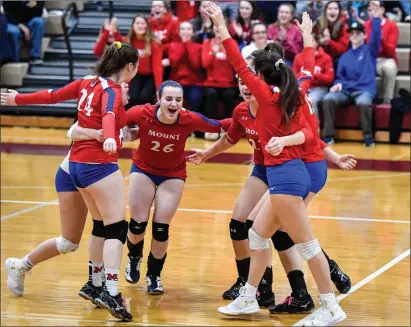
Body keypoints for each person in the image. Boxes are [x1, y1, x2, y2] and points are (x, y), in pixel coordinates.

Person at [204, 3, 346, 325]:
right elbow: (308, 70)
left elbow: (236, 61)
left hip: (285, 178)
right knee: (256, 234)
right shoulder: (296, 91)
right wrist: (308, 38)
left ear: (261, 75)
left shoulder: (265, 95)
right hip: (291, 173)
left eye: (254, 73)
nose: (248, 76)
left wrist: (221, 26)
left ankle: (330, 306)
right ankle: (247, 298)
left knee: (307, 246)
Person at [1, 42, 139, 321]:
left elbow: (53, 95)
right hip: (93, 166)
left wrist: (19, 100)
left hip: (75, 167)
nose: (129, 89)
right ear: (129, 68)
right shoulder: (110, 90)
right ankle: (110, 291)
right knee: (115, 229)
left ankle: (94, 284)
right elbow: (102, 119)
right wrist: (110, 136)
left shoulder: (88, 83)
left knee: (92, 230)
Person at [123, 80, 226, 295]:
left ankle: (154, 275)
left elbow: (218, 125)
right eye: (168, 99)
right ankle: (134, 257)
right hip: (143, 170)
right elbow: (114, 119)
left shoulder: (188, 119)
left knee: (161, 229)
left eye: (178, 100)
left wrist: (251, 119)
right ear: (158, 99)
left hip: (173, 175)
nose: (173, 103)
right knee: (137, 225)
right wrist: (123, 132)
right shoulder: (142, 113)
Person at [321, 15, 382, 146]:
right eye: (352, 33)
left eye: (358, 33)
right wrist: (337, 84)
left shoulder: (370, 50)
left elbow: (376, 38)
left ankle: (368, 138)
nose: (354, 36)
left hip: (364, 89)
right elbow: (339, 77)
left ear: (364, 36)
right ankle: (328, 136)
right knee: (328, 99)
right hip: (346, 90)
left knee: (364, 102)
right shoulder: (344, 56)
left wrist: (376, 18)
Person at [293, 33, 334, 119]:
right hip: (303, 87)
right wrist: (304, 76)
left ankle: (315, 130)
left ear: (316, 43)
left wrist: (314, 75)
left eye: (310, 41)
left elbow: (329, 79)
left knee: (311, 100)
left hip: (320, 88)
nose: (307, 43)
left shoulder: (326, 58)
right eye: (305, 41)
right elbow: (294, 77)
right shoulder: (298, 57)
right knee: (291, 99)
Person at [364, 1, 399, 104]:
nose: (372, 11)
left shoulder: (392, 25)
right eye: (370, 9)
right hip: (370, 58)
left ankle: (387, 101)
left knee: (389, 69)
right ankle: (365, 102)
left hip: (386, 58)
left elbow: (391, 51)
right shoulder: (367, 25)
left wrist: (381, 39)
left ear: (383, 10)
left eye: (376, 8)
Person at [169, 22, 204, 114]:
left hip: (195, 83)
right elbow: (174, 64)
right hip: (177, 82)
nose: (186, 32)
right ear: (179, 32)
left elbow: (195, 65)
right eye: (183, 29)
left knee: (195, 98)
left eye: (188, 29)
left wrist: (187, 45)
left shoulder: (199, 47)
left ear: (193, 32)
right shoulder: (173, 45)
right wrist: (183, 46)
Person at [3, 0, 45, 65]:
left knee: (39, 22)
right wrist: (21, 26)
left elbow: (39, 12)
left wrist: (35, 6)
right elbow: (8, 13)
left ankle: (35, 56)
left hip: (29, 20)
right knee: (13, 32)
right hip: (13, 21)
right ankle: (14, 61)